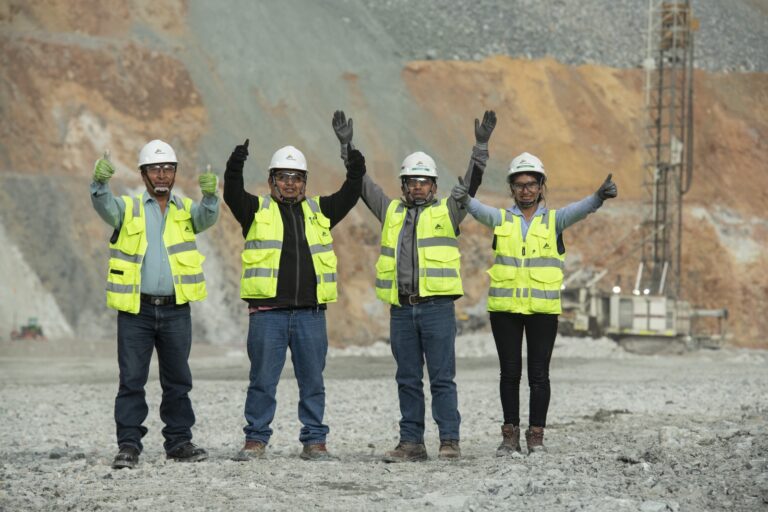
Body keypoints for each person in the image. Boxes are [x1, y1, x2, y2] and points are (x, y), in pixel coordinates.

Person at [332, 110, 496, 462]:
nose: (417, 186)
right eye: (411, 180)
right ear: (403, 185)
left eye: (423, 181)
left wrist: (480, 146)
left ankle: (449, 440)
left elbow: (472, 183)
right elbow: (362, 184)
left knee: (442, 379)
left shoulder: (449, 211)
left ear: (434, 186)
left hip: (437, 309)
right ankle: (412, 444)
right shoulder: (389, 211)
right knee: (407, 379)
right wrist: (347, 147)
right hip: (402, 309)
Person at [451, 152, 617, 454]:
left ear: (541, 186)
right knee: (509, 374)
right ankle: (509, 435)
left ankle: (536, 435)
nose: (525, 190)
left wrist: (599, 196)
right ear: (512, 188)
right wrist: (463, 197)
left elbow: (581, 210)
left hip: (542, 310)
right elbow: (475, 208)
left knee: (539, 375)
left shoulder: (555, 221)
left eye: (531, 184)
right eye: (519, 185)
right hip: (505, 311)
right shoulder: (501, 218)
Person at [224, 138, 366, 461]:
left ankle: (314, 441)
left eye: (297, 177)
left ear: (305, 182)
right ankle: (255, 440)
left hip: (310, 316)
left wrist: (354, 165)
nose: (290, 183)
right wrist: (236, 162)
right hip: (267, 315)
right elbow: (231, 191)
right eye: (283, 177)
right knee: (262, 380)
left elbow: (350, 193)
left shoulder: (320, 212)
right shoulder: (255, 211)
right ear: (272, 180)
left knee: (313, 381)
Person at [90, 139, 220, 469]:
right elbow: (104, 206)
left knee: (178, 380)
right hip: (137, 310)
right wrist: (100, 183)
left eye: (168, 169)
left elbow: (207, 218)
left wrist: (210, 195)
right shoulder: (128, 207)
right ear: (144, 174)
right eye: (155, 169)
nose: (162, 175)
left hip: (176, 309)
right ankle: (129, 445)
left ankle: (179, 442)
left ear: (175, 173)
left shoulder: (186, 209)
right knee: (132, 379)